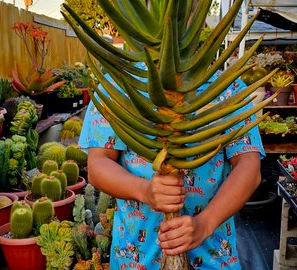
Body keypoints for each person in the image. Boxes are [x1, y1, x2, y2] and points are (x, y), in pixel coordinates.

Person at [78, 63, 265, 269]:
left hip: (214, 258)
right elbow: (98, 164)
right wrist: (145, 191)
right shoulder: (117, 86)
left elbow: (249, 166)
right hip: (136, 260)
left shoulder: (227, 87)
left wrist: (204, 225)